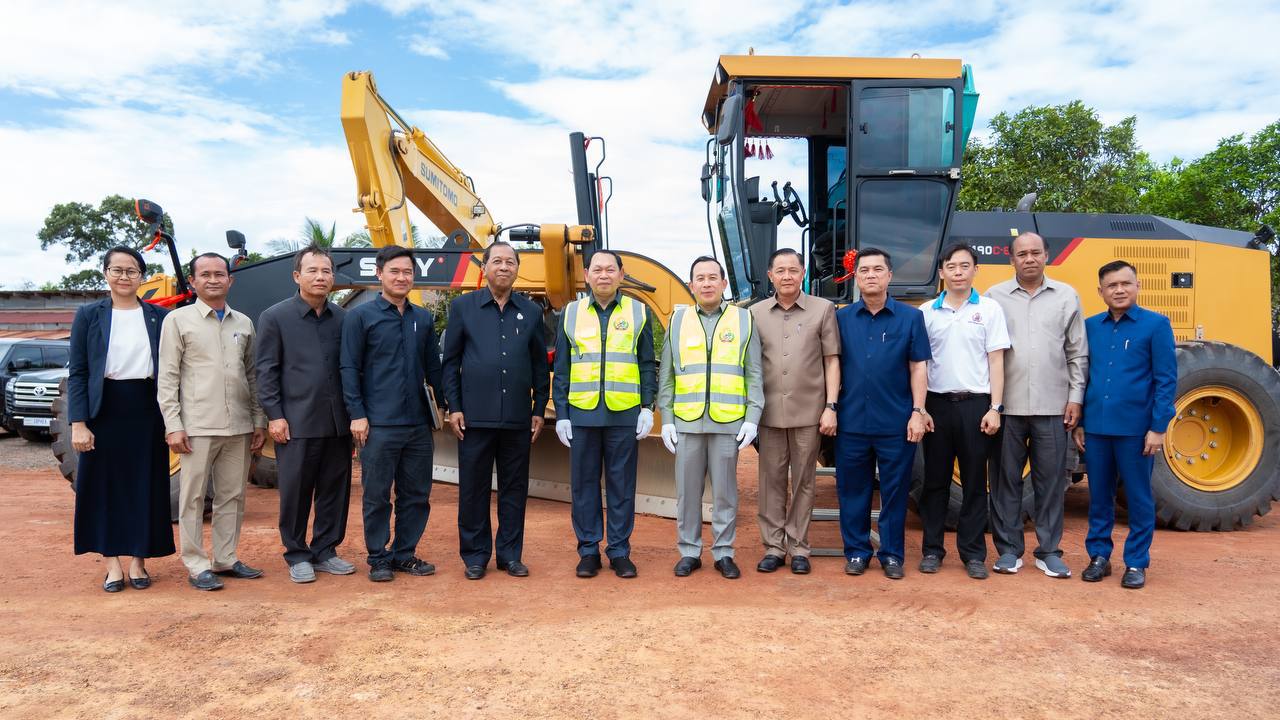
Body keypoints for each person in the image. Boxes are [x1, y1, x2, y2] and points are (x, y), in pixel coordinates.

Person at [158, 252, 267, 591]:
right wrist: (173, 424)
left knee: (232, 495)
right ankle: (196, 564)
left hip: (239, 425)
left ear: (230, 280)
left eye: (220, 274)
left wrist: (258, 419)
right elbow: (168, 377)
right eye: (205, 274)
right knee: (192, 498)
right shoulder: (177, 321)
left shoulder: (243, 323)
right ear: (193, 282)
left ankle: (225, 558)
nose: (213, 280)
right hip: (197, 426)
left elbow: (252, 375)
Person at [68, 246, 175, 592]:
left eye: (131, 270)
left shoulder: (160, 316)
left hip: (147, 408)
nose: (124, 276)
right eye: (117, 270)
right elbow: (79, 372)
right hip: (104, 410)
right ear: (106, 274)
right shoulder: (89, 315)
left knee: (145, 484)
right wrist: (78, 423)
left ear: (141, 276)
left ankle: (139, 560)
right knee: (104, 487)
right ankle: (112, 563)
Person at [442, 242, 550, 580]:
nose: (504, 267)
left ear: (517, 269)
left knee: (514, 490)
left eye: (510, 262)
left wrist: (538, 407)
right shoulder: (463, 307)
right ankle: (475, 556)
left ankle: (510, 555)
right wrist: (454, 407)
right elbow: (450, 363)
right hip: (474, 418)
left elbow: (539, 364)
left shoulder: (531, 311)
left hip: (517, 418)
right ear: (484, 267)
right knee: (473, 490)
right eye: (497, 261)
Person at [985, 232, 1088, 578]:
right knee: (1005, 481)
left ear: (1047, 256)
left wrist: (1075, 398)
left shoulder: (1066, 297)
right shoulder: (994, 298)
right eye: (1022, 254)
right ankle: (1008, 551)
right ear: (1011, 259)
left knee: (1051, 483)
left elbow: (1077, 352)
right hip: (1007, 408)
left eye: (1035, 253)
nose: (1029, 259)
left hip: (1053, 407)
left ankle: (1049, 551)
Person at [340, 245, 443, 583]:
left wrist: (444, 406)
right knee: (377, 495)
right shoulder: (360, 317)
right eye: (395, 271)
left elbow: (433, 367)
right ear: (379, 274)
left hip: (417, 424)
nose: (402, 277)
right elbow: (349, 368)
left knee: (416, 495)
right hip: (378, 424)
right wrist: (357, 414)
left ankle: (404, 554)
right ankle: (378, 557)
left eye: (407, 272)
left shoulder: (422, 318)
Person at [657, 256, 763, 580]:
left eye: (712, 277)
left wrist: (752, 416)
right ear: (691, 285)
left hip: (727, 422)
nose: (706, 283)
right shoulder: (677, 320)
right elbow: (667, 375)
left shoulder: (743, 320)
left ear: (723, 283)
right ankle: (689, 551)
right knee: (687, 494)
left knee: (725, 494)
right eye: (700, 278)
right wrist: (667, 418)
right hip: (687, 422)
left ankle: (723, 552)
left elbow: (753, 373)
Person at [553, 249, 657, 579]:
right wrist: (562, 412)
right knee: (583, 485)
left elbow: (646, 363)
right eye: (597, 270)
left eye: (610, 270)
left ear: (621, 275)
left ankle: (619, 551)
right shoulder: (570, 313)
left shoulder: (638, 312)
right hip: (582, 414)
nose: (603, 275)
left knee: (621, 486)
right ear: (586, 275)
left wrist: (647, 406)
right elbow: (562, 367)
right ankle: (588, 551)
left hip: (623, 414)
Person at [255, 245, 354, 584]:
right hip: (296, 422)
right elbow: (266, 371)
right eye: (312, 270)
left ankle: (325, 550)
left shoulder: (343, 318)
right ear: (297, 276)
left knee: (334, 491)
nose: (320, 277)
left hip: (338, 422)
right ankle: (297, 554)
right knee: (296, 492)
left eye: (326, 271)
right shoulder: (275, 317)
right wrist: (275, 415)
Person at [1074, 260, 1176, 590]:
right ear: (1100, 291)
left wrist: (1158, 427)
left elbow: (1165, 380)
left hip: (1136, 431)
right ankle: (1099, 556)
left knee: (1138, 497)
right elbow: (1084, 376)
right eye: (1112, 285)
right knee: (1098, 496)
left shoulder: (1156, 325)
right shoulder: (1091, 326)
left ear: (1137, 286)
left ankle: (1136, 562)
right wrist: (1081, 423)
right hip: (1097, 429)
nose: (1119, 290)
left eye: (1125, 283)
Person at [833, 248, 931, 580]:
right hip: (852, 421)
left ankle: (891, 554)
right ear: (856, 277)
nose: (871, 275)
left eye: (878, 269)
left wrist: (918, 411)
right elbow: (833, 366)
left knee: (895, 492)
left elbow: (918, 367)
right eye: (864, 270)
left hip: (896, 422)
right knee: (852, 491)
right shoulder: (842, 318)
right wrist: (831, 408)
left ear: (889, 275)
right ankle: (857, 552)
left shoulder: (910, 318)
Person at [918, 243, 1010, 580]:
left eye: (965, 266)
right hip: (936, 406)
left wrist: (995, 408)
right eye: (952, 266)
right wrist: (920, 409)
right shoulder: (926, 312)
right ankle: (932, 550)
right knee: (935, 481)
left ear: (975, 270)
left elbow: (996, 361)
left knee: (974, 482)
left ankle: (973, 554)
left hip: (976, 406)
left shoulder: (989, 309)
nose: (958, 272)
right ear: (941, 271)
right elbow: (920, 364)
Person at [749, 248, 840, 575]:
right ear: (770, 275)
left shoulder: (823, 309)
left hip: (809, 413)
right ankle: (774, 547)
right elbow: (750, 365)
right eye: (780, 271)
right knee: (771, 481)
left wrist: (830, 406)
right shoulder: (755, 313)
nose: (787, 276)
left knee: (804, 481)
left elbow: (831, 360)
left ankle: (799, 547)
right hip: (769, 413)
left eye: (793, 270)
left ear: (803, 273)